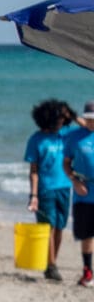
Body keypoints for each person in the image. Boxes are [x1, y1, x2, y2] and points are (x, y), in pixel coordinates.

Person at [25, 100, 75, 283]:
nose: (62, 121)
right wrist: (34, 195)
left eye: (64, 118)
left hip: (64, 187)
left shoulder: (66, 135)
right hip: (45, 190)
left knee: (60, 227)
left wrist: (71, 113)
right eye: (59, 118)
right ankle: (51, 266)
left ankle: (51, 262)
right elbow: (33, 171)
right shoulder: (36, 140)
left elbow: (88, 127)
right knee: (48, 227)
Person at [66, 103, 94, 286]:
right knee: (87, 235)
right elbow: (66, 163)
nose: (92, 122)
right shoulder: (74, 137)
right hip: (84, 193)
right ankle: (88, 272)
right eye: (89, 118)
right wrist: (75, 181)